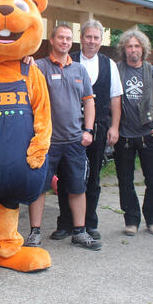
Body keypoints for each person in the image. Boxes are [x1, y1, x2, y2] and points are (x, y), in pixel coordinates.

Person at [28, 24, 101, 250]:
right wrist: (26, 61)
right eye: (61, 38)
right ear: (52, 40)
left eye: (68, 39)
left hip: (74, 141)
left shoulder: (80, 70)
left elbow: (89, 101)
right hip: (46, 141)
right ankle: (34, 233)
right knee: (39, 188)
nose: (65, 42)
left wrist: (88, 131)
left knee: (78, 188)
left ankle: (79, 232)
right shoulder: (38, 67)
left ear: (72, 42)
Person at [51, 20, 121, 241]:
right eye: (88, 37)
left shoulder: (109, 64)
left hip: (97, 128)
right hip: (68, 129)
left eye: (96, 38)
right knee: (64, 177)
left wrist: (115, 127)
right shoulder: (67, 60)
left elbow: (115, 99)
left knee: (92, 177)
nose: (92, 41)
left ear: (101, 41)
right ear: (81, 38)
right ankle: (65, 223)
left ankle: (89, 222)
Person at [114, 27, 153, 236]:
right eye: (129, 46)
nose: (133, 50)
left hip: (149, 135)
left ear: (143, 49)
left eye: (137, 46)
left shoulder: (152, 71)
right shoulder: (116, 70)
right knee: (125, 180)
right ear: (124, 49)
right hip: (124, 135)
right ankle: (131, 220)